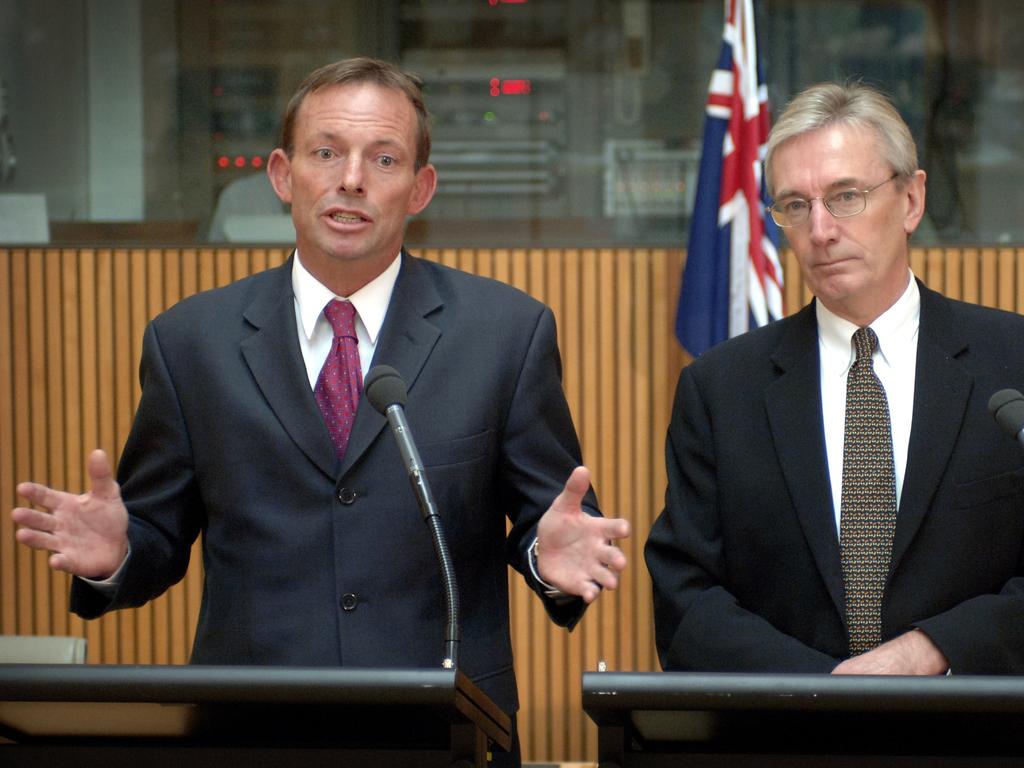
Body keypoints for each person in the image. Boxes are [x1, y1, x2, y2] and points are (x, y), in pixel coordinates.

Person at [12, 57, 630, 763]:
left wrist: (550, 564)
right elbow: (158, 532)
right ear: (282, 174)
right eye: (327, 152)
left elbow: (552, 524)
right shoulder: (191, 342)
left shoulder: (505, 333)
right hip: (249, 730)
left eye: (385, 158)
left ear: (420, 187)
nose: (352, 180)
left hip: (446, 729)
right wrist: (118, 554)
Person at [645, 81, 1024, 675]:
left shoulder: (1013, 363)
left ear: (911, 200)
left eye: (846, 196)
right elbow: (685, 602)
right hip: (786, 743)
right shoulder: (722, 390)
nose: (820, 230)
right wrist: (826, 693)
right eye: (795, 205)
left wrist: (933, 650)